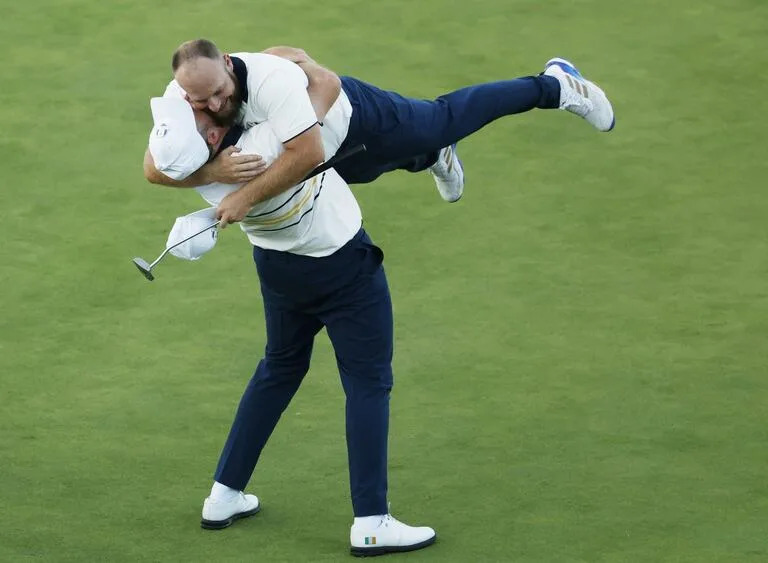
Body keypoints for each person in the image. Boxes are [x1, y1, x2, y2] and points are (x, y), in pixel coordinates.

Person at [147, 94, 437, 557]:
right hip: (342, 265)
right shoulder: (260, 142)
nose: (204, 106)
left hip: (280, 269)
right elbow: (316, 100)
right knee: (368, 382)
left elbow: (159, 164)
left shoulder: (207, 178)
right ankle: (371, 520)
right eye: (201, 114)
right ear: (213, 137)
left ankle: (223, 495)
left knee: (279, 369)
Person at [144, 40, 614, 227]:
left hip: (355, 116)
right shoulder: (182, 98)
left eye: (221, 93)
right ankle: (432, 156)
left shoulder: (269, 74)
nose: (215, 106)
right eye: (202, 101)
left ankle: (554, 84)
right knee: (379, 165)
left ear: (228, 65)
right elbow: (153, 170)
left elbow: (324, 87)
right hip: (320, 160)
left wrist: (247, 192)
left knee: (440, 119)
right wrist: (210, 169)